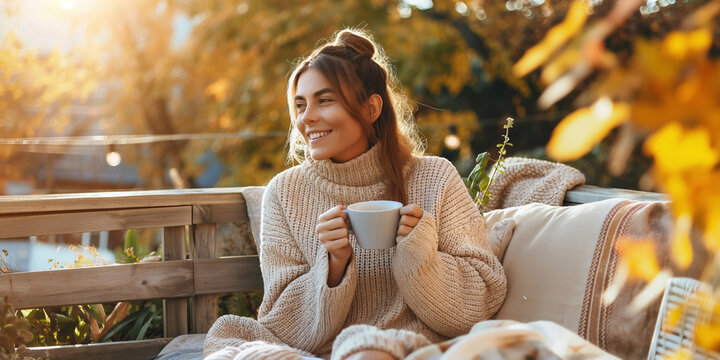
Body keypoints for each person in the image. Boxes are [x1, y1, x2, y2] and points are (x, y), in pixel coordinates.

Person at [203, 28, 507, 360]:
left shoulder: (435, 177)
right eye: (300, 105)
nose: (307, 118)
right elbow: (281, 321)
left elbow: (482, 297)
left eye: (325, 100)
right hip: (320, 352)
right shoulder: (285, 192)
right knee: (229, 341)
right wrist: (333, 265)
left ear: (370, 109)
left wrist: (420, 255)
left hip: (411, 346)